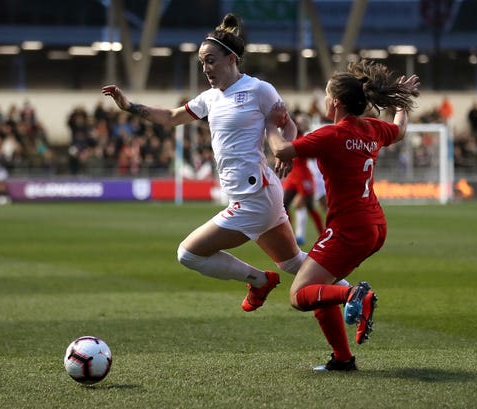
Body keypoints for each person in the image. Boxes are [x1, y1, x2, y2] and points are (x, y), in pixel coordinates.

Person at [102, 13, 306, 312]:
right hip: (258, 193)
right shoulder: (210, 98)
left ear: (232, 59)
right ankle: (353, 293)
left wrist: (283, 151)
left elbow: (287, 125)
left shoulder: (259, 90)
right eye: (202, 62)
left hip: (255, 196)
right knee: (293, 263)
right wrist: (129, 106)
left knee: (188, 254)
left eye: (211, 60)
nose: (205, 68)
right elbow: (172, 117)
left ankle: (260, 281)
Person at [270, 60, 420, 371]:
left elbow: (283, 151)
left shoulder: (330, 135)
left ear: (335, 102)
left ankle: (355, 295)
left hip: (349, 228)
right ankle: (342, 358)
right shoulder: (374, 129)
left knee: (299, 294)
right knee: (320, 290)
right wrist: (401, 103)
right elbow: (401, 130)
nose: (324, 100)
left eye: (326, 95)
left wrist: (269, 124)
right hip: (375, 226)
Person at [281, 113, 324, 244]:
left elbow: (312, 154)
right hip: (293, 175)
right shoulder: (290, 137)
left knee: (310, 206)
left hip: (304, 175)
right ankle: (290, 235)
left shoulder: (304, 138)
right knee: (283, 206)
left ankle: (323, 235)